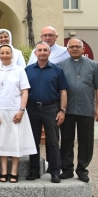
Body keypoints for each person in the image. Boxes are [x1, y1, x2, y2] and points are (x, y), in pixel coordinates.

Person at [57, 38, 98, 183]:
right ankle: (67, 169)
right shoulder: (61, 66)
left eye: (77, 47)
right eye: (71, 47)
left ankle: (82, 169)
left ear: (83, 49)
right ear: (67, 49)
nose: (74, 49)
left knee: (85, 140)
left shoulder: (93, 65)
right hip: (67, 110)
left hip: (86, 108)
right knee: (66, 140)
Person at [0, 44, 36, 183]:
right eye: (2, 53)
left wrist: (21, 110)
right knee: (2, 142)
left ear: (12, 54)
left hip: (16, 110)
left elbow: (25, 91)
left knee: (15, 141)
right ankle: (3, 171)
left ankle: (14, 171)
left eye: (7, 53)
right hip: (0, 111)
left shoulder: (20, 70)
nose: (5, 55)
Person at [24, 41, 68, 184]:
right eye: (39, 50)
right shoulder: (27, 70)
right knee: (33, 141)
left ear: (49, 53)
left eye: (45, 50)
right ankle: (34, 170)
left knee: (53, 142)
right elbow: (23, 91)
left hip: (51, 108)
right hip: (32, 108)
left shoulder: (57, 70)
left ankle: (55, 171)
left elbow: (63, 91)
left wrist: (62, 110)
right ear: (35, 53)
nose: (42, 52)